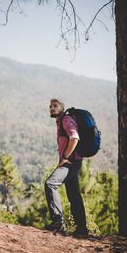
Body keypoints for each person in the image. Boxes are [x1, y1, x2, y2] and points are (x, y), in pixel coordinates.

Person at [44, 98, 88, 238]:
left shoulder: (66, 119)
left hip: (71, 162)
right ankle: (82, 230)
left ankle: (58, 222)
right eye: (50, 106)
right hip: (74, 161)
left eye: (55, 106)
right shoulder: (60, 121)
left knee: (50, 184)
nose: (52, 108)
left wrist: (65, 157)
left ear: (62, 108)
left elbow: (74, 137)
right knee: (74, 195)